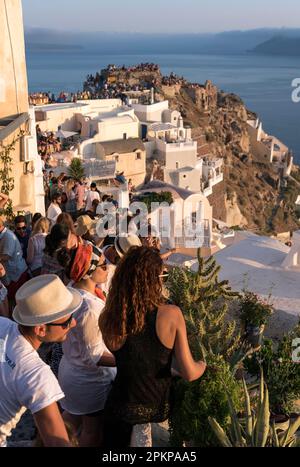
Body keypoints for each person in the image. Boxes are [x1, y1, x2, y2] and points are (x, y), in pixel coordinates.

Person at [99, 246, 206, 447]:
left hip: (117, 407)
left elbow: (132, 358)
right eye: (161, 275)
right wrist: (203, 364)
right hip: (149, 409)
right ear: (153, 280)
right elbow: (190, 373)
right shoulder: (171, 314)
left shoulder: (109, 317)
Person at [0, 274, 83, 447]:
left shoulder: (2, 324)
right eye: (66, 322)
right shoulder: (36, 375)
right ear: (41, 329)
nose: (74, 323)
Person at [57, 243, 116, 447]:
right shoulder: (90, 308)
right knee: (91, 431)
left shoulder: (70, 290)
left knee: (69, 421)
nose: (107, 267)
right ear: (89, 273)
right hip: (88, 380)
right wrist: (126, 360)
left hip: (71, 369)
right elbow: (95, 356)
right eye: (102, 265)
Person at [0, 217, 28, 303]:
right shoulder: (5, 235)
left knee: (18, 301)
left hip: (17, 274)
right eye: (19, 228)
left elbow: (6, 256)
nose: (22, 230)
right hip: (13, 274)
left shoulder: (8, 237)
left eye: (23, 228)